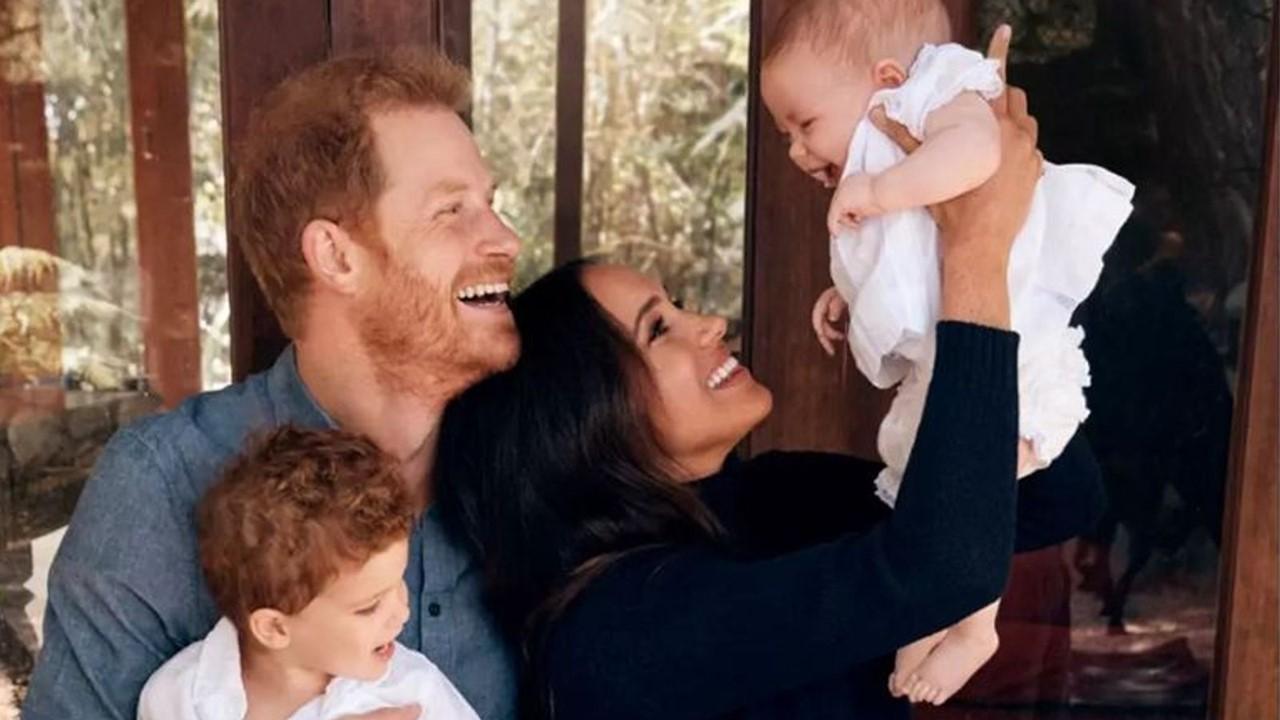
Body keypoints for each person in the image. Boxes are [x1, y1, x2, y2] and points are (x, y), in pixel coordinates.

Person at [434, 28, 1105, 720]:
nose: (710, 325)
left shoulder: (768, 500)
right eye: (659, 328)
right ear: (582, 417)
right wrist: (974, 252)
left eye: (680, 305)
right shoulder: (618, 629)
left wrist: (971, 259)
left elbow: (1056, 497)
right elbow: (942, 569)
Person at [24, 48, 520, 720]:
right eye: (452, 210)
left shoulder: (528, 462)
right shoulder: (162, 486)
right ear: (336, 256)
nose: (506, 238)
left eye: (490, 204)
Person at [759, 0, 1133, 701]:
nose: (797, 151)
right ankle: (934, 614)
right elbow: (911, 256)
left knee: (973, 480)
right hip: (956, 348)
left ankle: (974, 624)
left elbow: (978, 155)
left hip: (1011, 344)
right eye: (785, 133)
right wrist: (847, 293)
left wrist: (878, 188)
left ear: (889, 76)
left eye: (805, 125)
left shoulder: (943, 93)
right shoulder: (892, 147)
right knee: (932, 481)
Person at [137, 426, 481, 720]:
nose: (402, 612)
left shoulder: (413, 691)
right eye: (369, 606)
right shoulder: (181, 696)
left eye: (399, 583)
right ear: (274, 627)